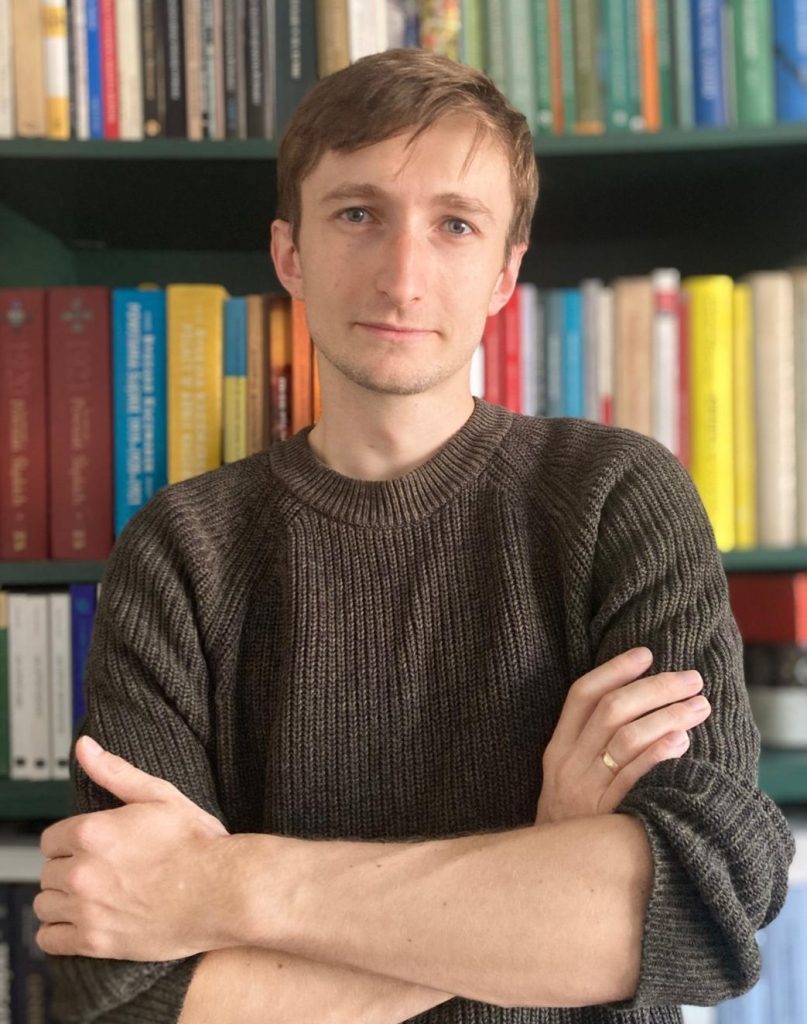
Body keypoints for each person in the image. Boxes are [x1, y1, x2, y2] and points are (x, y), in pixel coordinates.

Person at [36, 48, 794, 1024]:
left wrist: (224, 886)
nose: (403, 278)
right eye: (358, 214)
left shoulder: (618, 496)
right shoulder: (180, 549)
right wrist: (540, 857)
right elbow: (129, 998)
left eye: (455, 224)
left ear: (504, 271)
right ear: (289, 254)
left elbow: (705, 902)